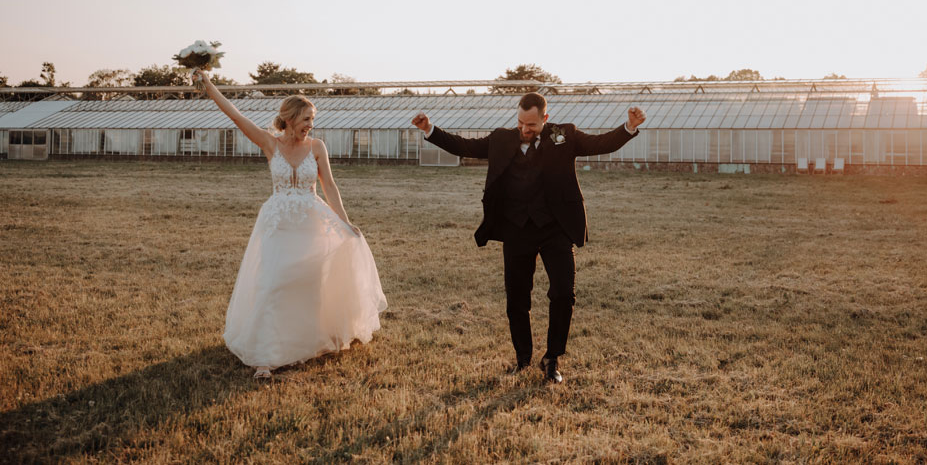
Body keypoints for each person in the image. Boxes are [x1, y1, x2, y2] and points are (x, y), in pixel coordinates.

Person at [412, 92, 645, 383]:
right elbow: (465, 146)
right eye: (521, 122)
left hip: (555, 228)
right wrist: (429, 130)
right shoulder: (501, 139)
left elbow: (599, 143)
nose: (525, 129)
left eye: (532, 124)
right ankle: (523, 358)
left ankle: (552, 358)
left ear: (545, 119)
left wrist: (629, 127)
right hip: (516, 229)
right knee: (517, 299)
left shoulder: (563, 135)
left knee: (563, 293)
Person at [196, 70, 387, 379]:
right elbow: (235, 115)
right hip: (278, 224)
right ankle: (265, 358)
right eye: (306, 120)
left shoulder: (317, 147)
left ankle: (303, 343)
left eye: (312, 120)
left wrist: (346, 223)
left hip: (312, 223)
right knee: (272, 283)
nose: (310, 126)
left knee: (309, 285)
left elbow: (330, 187)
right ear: (289, 119)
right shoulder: (270, 144)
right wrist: (209, 87)